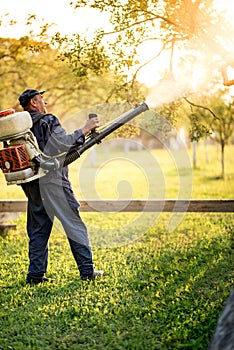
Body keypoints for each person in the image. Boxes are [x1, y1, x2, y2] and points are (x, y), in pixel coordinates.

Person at [18, 88, 104, 284]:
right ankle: (87, 271)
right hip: (53, 181)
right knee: (73, 223)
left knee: (39, 228)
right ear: (33, 102)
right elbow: (62, 143)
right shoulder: (46, 121)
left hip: (32, 183)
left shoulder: (20, 128)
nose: (45, 102)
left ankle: (35, 276)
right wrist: (86, 128)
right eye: (42, 99)